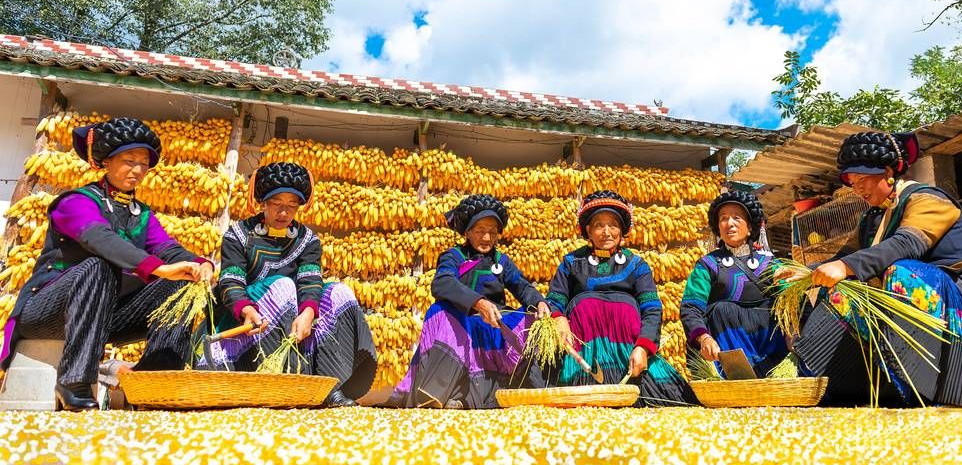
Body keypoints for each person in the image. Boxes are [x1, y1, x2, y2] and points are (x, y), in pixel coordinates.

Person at [788, 131, 962, 407]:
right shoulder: (870, 219)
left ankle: (933, 390)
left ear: (887, 173)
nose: (858, 189)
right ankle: (844, 385)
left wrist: (846, 266)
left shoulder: (927, 199)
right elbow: (844, 257)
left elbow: (906, 243)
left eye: (863, 179)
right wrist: (803, 273)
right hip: (910, 307)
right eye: (853, 182)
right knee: (837, 290)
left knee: (902, 274)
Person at [0, 117, 214, 411]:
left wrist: (200, 265)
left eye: (144, 163)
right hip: (46, 311)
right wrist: (156, 267)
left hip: (104, 314)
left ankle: (153, 380)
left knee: (181, 287)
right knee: (98, 266)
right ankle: (74, 380)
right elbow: (99, 238)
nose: (137, 170)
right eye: (129, 160)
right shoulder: (75, 202)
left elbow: (168, 248)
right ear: (106, 161)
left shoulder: (140, 214)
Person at [205, 162, 376, 407]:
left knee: (340, 293)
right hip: (248, 324)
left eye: (292, 206)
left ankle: (330, 387)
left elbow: (310, 281)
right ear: (262, 203)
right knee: (283, 287)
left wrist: (307, 313)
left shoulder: (307, 240)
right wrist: (247, 310)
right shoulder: (238, 235)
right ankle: (271, 380)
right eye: (277, 205)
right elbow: (231, 282)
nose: (284, 213)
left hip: (294, 324)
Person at [389, 194, 548, 409]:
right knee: (439, 310)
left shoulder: (501, 261)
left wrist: (539, 303)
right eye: (480, 230)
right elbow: (442, 283)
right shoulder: (454, 256)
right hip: (462, 325)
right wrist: (478, 302)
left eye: (492, 232)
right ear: (467, 232)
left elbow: (522, 286)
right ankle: (445, 391)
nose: (486, 237)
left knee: (532, 320)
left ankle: (517, 389)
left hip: (494, 325)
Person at [546, 190, 694, 406]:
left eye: (613, 225)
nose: (606, 232)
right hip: (583, 358)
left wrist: (643, 347)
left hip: (629, 355)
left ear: (622, 230)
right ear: (588, 230)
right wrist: (559, 319)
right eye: (598, 225)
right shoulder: (571, 263)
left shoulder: (637, 265)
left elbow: (652, 309)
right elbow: (554, 300)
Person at [680, 190, 787, 377]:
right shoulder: (708, 265)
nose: (729, 223)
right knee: (722, 310)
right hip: (729, 352)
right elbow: (691, 307)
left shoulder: (771, 264)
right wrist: (704, 338)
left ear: (750, 226)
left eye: (737, 217)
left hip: (771, 348)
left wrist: (792, 333)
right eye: (723, 218)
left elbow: (792, 301)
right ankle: (739, 377)